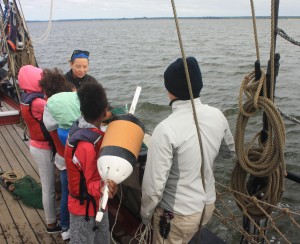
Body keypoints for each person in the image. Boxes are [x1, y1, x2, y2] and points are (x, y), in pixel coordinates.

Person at [140, 57, 235, 244]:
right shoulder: (218, 115)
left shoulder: (165, 129)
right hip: (206, 208)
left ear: (169, 90)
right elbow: (229, 152)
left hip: (176, 216)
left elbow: (153, 188)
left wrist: (145, 216)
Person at [64, 81, 118, 243]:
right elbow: (91, 184)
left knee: (102, 239)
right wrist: (106, 187)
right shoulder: (87, 146)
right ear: (105, 111)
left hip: (97, 204)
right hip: (84, 210)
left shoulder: (78, 128)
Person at [18, 65, 61, 234]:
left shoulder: (26, 97)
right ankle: (51, 223)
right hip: (43, 149)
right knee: (48, 188)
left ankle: (54, 213)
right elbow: (57, 110)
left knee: (49, 185)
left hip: (37, 146)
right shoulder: (37, 103)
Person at [39, 68, 74, 241]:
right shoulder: (71, 104)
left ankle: (65, 226)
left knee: (67, 193)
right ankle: (72, 225)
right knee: (73, 193)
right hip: (73, 159)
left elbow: (51, 132)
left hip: (61, 158)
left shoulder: (49, 109)